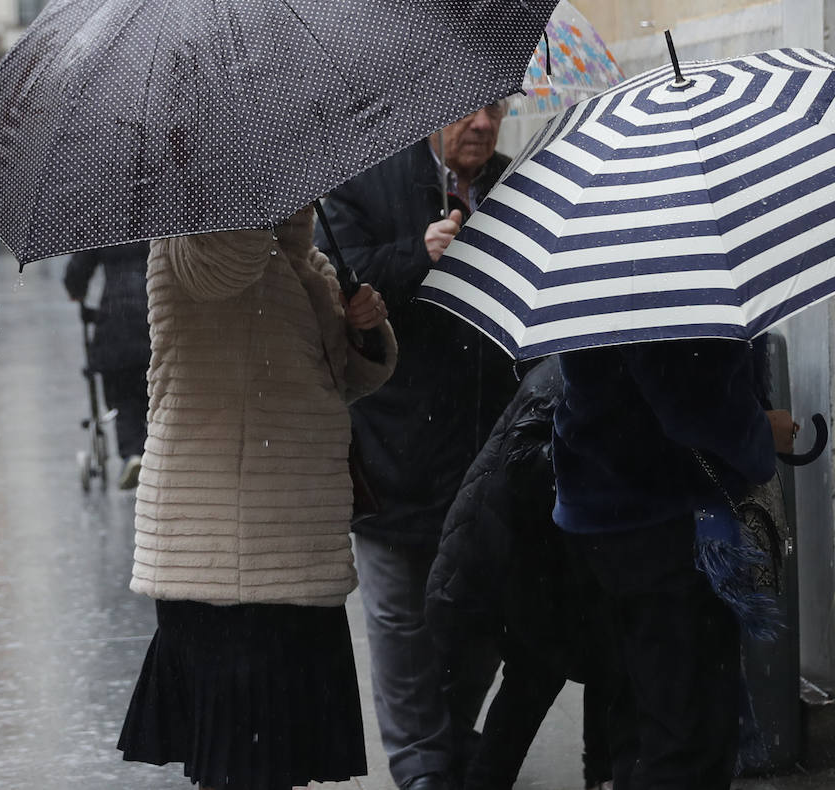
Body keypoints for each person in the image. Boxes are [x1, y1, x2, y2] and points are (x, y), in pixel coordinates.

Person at [117, 207, 397, 790]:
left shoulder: (300, 257)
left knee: (275, 765)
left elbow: (337, 379)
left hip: (295, 546)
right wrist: (254, 200)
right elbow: (225, 272)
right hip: (225, 555)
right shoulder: (192, 238)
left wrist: (362, 325)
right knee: (240, 767)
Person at [317, 101, 517, 790]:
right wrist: (417, 255)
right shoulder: (362, 182)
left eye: (498, 108)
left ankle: (453, 739)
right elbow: (336, 283)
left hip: (487, 456)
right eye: (470, 111)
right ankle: (423, 771)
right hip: (394, 451)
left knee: (480, 617)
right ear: (432, 114)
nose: (485, 124)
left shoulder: (513, 185)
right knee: (400, 625)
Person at [554, 338, 793, 790]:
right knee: (687, 732)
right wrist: (761, 431)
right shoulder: (663, 286)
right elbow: (689, 398)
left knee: (639, 720)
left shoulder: (598, 280)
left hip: (600, 512)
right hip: (662, 522)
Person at [426, 357, 613, 790]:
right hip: (527, 565)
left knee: (582, 674)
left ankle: (599, 775)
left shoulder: (581, 367)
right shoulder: (568, 371)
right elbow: (523, 461)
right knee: (535, 682)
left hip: (548, 563)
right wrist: (602, 451)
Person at [63, 241, 151, 489]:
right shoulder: (160, 215)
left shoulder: (102, 219)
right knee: (157, 391)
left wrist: (76, 290)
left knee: (123, 398)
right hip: (154, 314)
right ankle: (157, 449)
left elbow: (76, 273)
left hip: (115, 321)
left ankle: (134, 454)